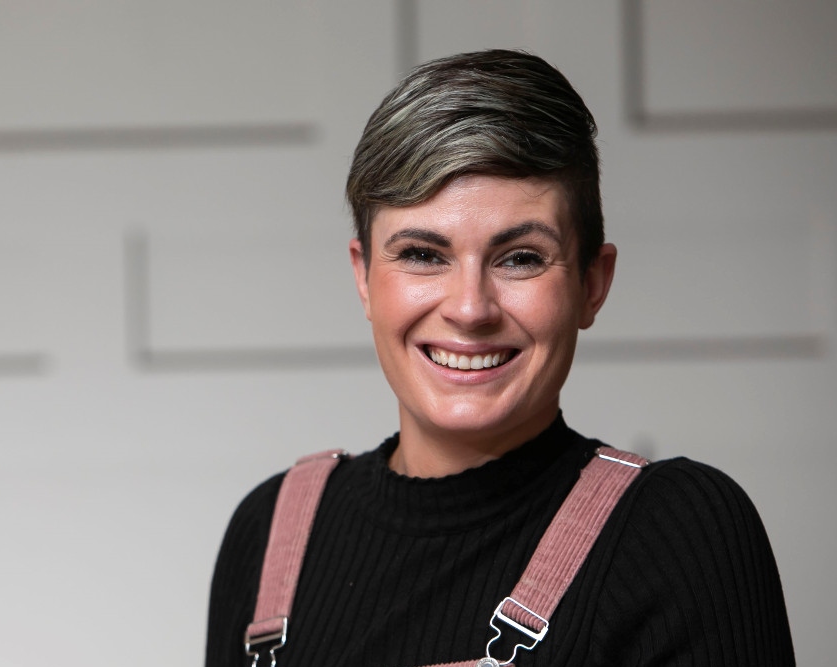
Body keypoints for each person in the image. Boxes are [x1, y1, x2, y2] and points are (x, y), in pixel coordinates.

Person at [205, 49, 795, 667]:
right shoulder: (269, 533)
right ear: (364, 277)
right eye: (422, 254)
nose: (470, 309)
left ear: (593, 283)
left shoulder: (678, 533)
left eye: (520, 258)